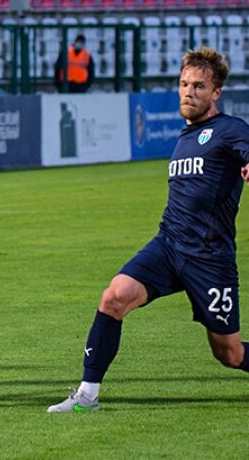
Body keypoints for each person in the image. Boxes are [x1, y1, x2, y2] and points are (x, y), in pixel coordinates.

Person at [48, 47, 249, 413]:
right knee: (113, 298)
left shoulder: (229, 129)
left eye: (199, 86)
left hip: (209, 258)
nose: (188, 92)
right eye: (184, 84)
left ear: (216, 92)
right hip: (168, 246)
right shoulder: (185, 137)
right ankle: (87, 396)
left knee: (229, 353)